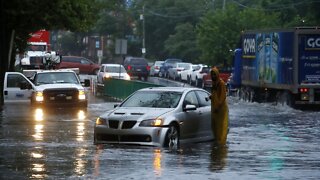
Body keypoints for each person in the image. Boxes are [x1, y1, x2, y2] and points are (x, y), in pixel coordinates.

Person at [210, 66, 229, 146]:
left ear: (217, 74)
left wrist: (218, 107)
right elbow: (215, 94)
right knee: (214, 125)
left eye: (214, 74)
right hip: (214, 107)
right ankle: (217, 140)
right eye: (212, 74)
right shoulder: (214, 83)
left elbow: (222, 96)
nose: (213, 76)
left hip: (220, 108)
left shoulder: (221, 83)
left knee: (221, 126)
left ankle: (221, 143)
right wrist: (211, 97)